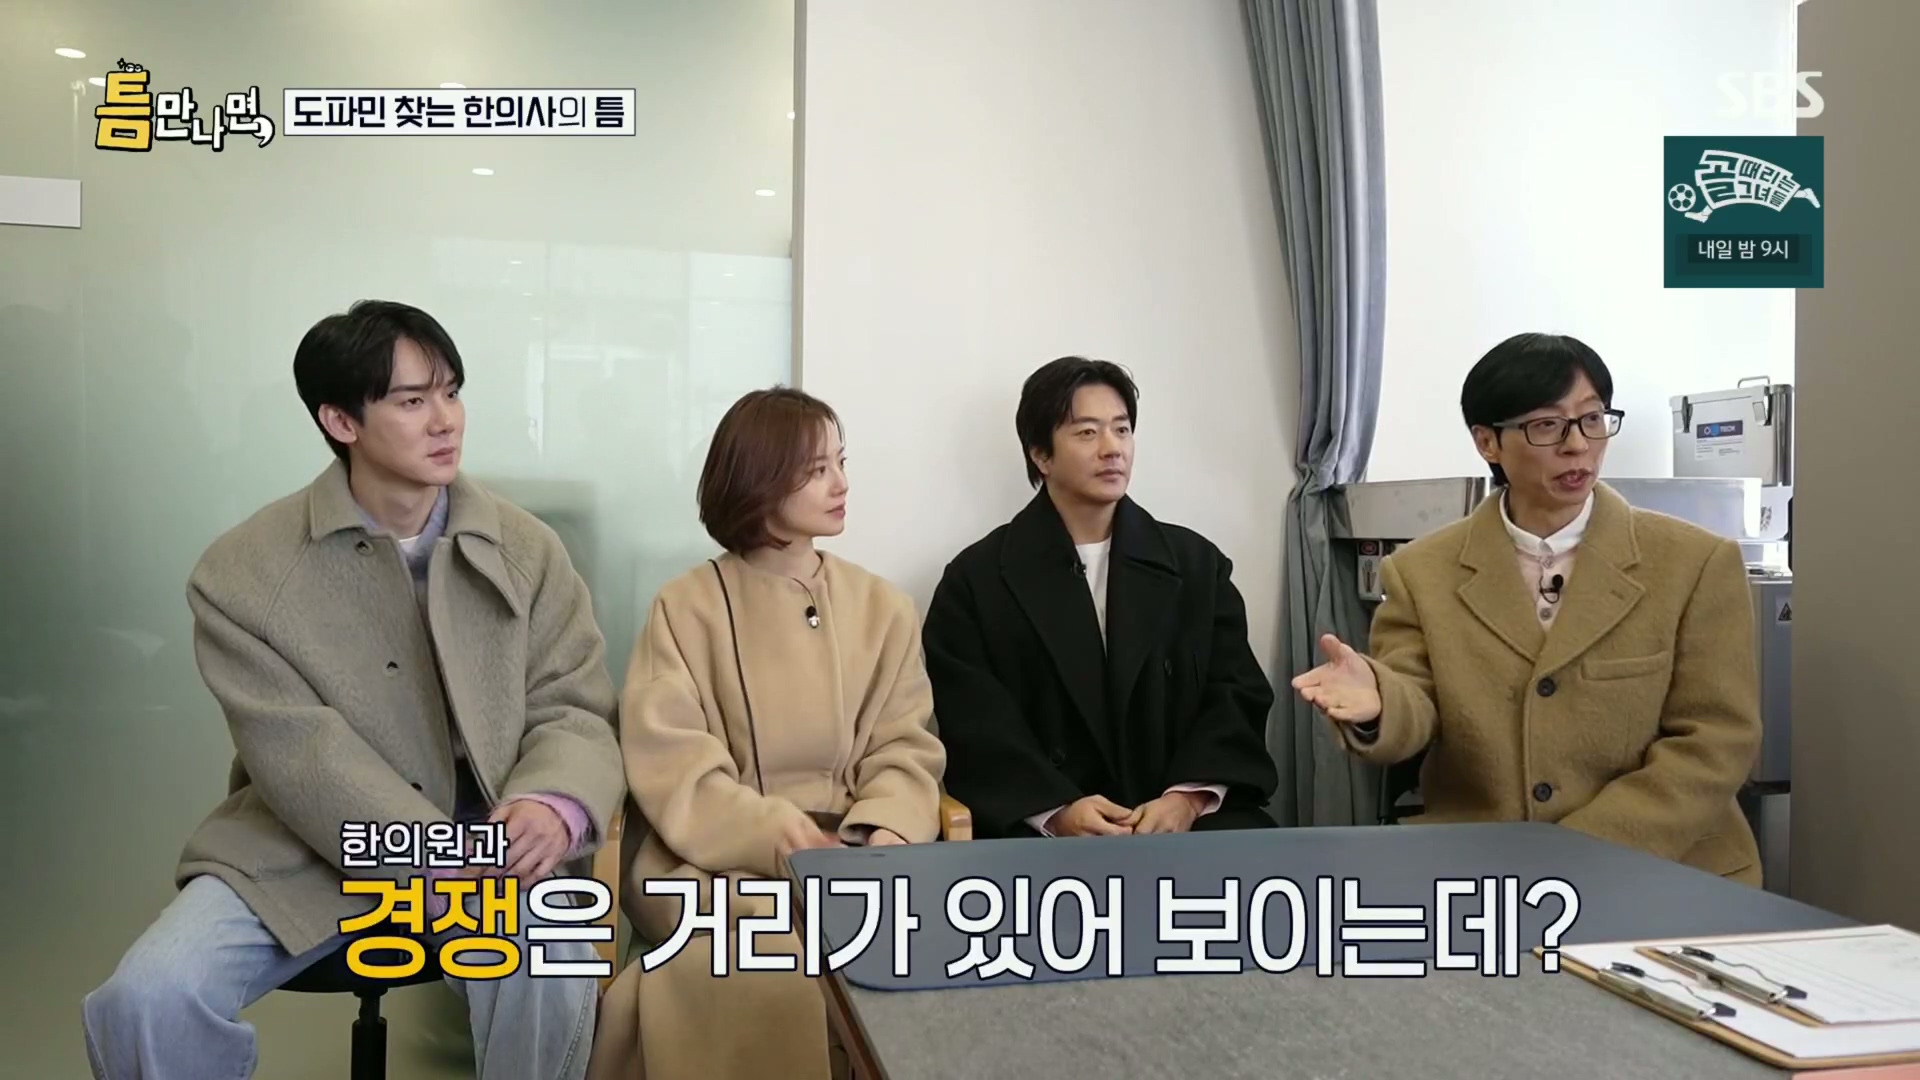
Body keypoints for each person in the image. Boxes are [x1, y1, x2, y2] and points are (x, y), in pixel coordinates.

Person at [81, 300, 626, 1079]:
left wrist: (551, 803)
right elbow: (303, 758)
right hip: (306, 846)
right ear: (340, 421)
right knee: (145, 1000)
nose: (445, 420)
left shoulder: (528, 548)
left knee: (552, 963)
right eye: (412, 401)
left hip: (494, 847)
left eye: (451, 392)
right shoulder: (242, 572)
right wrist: (432, 856)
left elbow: (572, 702)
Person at [1292, 332, 1763, 884]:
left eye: (1592, 419)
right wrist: (1379, 703)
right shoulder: (1421, 572)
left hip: (1664, 866)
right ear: (1487, 442)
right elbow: (1417, 701)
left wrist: (1576, 851)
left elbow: (1715, 741)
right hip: (1491, 866)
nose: (1577, 445)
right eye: (1546, 425)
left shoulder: (1696, 562)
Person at [588, 388, 947, 1080]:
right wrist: (778, 837)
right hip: (712, 866)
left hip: (861, 860)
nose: (841, 484)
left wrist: (886, 834)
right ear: (759, 479)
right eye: (816, 470)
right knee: (760, 962)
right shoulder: (685, 606)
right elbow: (674, 763)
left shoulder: (883, 607)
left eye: (841, 462)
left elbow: (906, 745)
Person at [922, 356, 1279, 840]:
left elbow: (1235, 694)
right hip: (1041, 832)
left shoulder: (1197, 565)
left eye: (1122, 430)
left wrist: (1186, 799)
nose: (1112, 449)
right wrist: (1056, 811)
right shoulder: (975, 580)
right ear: (1041, 456)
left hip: (1188, 825)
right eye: (1087, 433)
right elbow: (975, 723)